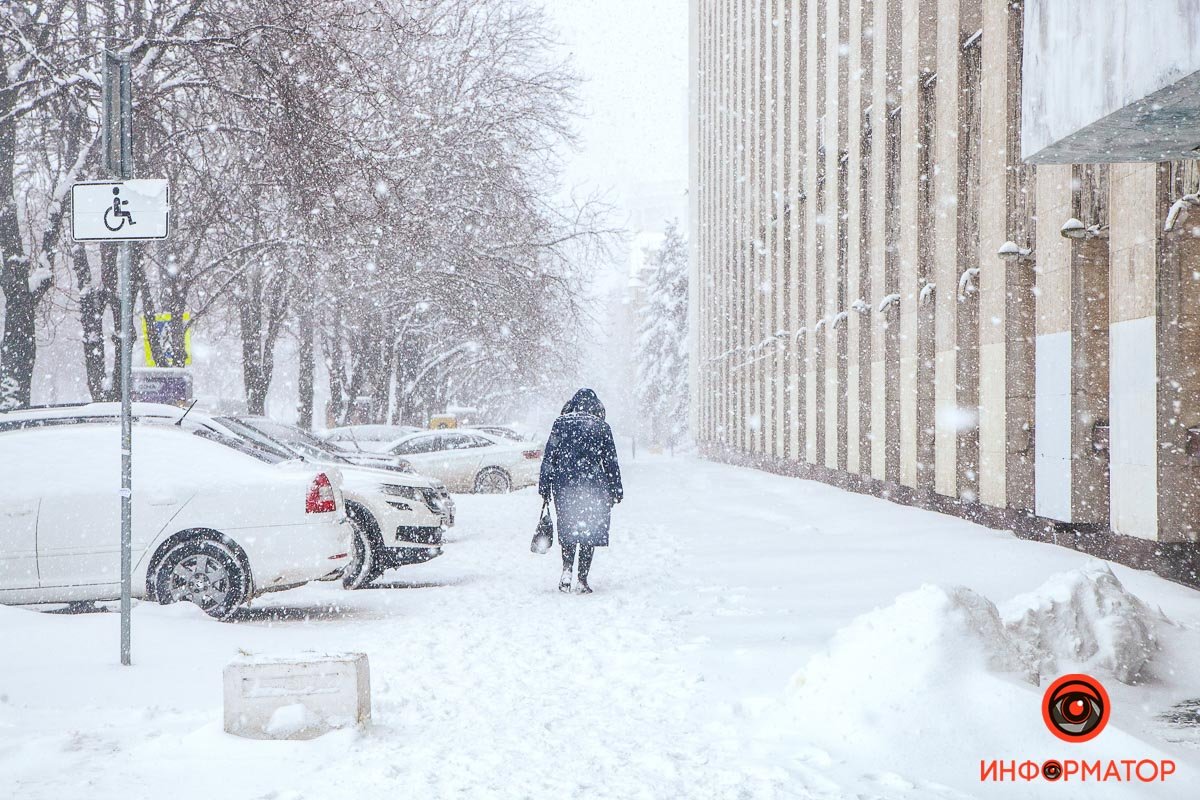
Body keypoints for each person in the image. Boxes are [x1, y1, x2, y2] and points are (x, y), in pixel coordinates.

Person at [538, 388, 623, 594]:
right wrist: (616, 489)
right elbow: (610, 462)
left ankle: (567, 570)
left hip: (564, 486)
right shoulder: (601, 427)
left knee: (568, 528)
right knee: (588, 531)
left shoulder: (560, 423)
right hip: (592, 487)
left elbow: (550, 457)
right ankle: (582, 579)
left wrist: (544, 486)